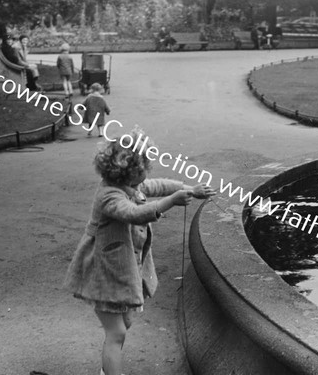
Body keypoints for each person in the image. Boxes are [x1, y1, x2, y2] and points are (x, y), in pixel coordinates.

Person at [63, 127, 216, 375]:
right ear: (131, 170)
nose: (148, 172)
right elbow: (134, 214)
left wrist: (189, 189)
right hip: (102, 270)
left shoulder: (130, 185)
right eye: (145, 166)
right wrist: (172, 201)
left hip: (121, 267)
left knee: (125, 322)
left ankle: (107, 368)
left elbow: (156, 185)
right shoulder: (108, 196)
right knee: (116, 333)